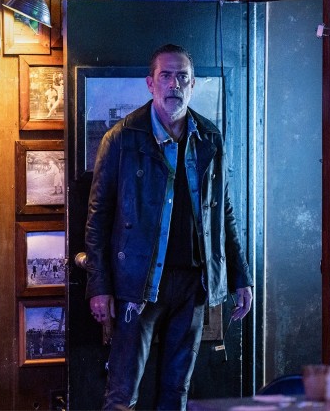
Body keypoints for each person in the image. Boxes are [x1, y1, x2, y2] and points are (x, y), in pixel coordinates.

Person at [84, 44, 253, 410]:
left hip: (193, 284)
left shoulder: (209, 137)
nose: (174, 84)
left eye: (182, 77)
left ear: (192, 84)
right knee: (122, 392)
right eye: (166, 76)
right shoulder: (122, 138)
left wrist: (241, 277)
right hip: (137, 284)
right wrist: (99, 285)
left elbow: (222, 212)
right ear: (151, 83)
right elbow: (98, 217)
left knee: (177, 392)